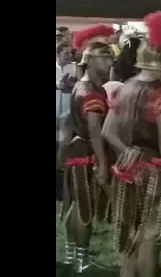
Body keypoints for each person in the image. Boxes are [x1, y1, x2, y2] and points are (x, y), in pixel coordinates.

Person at [102, 11, 161, 277]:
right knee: (150, 240)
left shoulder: (124, 87)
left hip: (125, 171)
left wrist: (127, 151)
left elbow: (107, 131)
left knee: (128, 241)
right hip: (154, 174)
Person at [59, 24, 115, 273]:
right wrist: (103, 164)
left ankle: (72, 256)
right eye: (106, 58)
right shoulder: (90, 91)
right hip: (86, 153)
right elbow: (95, 131)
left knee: (74, 206)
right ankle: (81, 261)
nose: (110, 62)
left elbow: (69, 122)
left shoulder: (82, 86)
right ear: (92, 60)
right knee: (85, 208)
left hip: (75, 150)